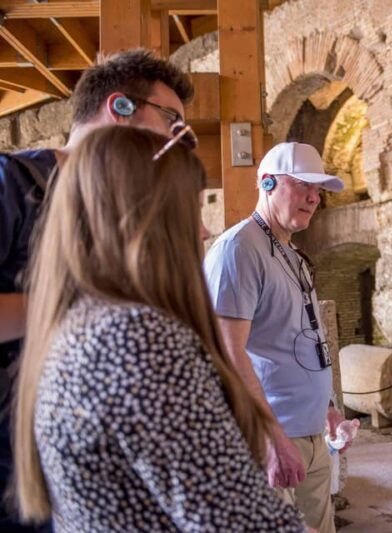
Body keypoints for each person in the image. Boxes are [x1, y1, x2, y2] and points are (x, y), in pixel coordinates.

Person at [13, 125, 305, 531]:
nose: (203, 230)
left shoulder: (81, 319)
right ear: (146, 218)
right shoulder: (138, 340)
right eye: (191, 210)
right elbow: (242, 522)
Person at [0, 48, 196, 530]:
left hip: (76, 474)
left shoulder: (120, 218)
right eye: (171, 121)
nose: (176, 141)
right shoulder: (12, 184)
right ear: (120, 107)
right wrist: (88, 307)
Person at [204, 142, 347, 533]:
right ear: (267, 182)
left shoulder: (292, 254)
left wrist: (327, 408)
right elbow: (226, 352)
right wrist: (271, 438)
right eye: (302, 184)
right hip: (270, 436)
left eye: (317, 189)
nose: (314, 197)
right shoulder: (238, 250)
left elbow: (304, 337)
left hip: (311, 433)